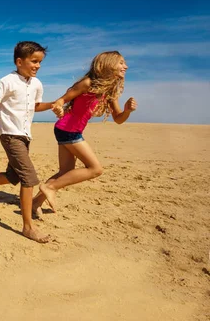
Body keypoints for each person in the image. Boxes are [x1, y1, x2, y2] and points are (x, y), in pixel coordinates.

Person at [33, 51, 137, 215]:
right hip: (68, 130)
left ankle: (35, 202)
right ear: (109, 64)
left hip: (67, 130)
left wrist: (127, 111)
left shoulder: (109, 91)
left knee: (65, 173)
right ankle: (49, 187)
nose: (126, 66)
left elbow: (118, 119)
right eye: (121, 63)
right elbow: (62, 99)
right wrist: (59, 107)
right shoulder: (88, 83)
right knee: (95, 169)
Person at [0, 41, 53, 243]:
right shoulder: (6, 81)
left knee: (12, 175)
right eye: (34, 61)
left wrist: (57, 104)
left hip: (25, 135)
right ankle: (28, 227)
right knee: (29, 178)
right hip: (9, 134)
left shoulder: (36, 84)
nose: (38, 66)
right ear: (19, 61)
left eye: (40, 62)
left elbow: (36, 106)